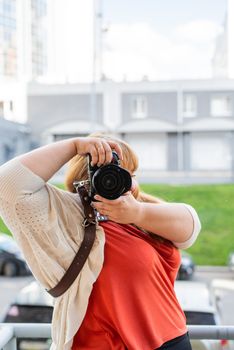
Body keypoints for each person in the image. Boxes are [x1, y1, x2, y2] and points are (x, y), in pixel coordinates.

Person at [0, 133, 201, 350]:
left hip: (173, 341)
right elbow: (7, 185)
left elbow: (191, 228)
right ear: (85, 179)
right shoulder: (66, 220)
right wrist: (75, 145)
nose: (124, 181)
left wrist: (137, 213)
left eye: (130, 174)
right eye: (109, 173)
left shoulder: (140, 212)